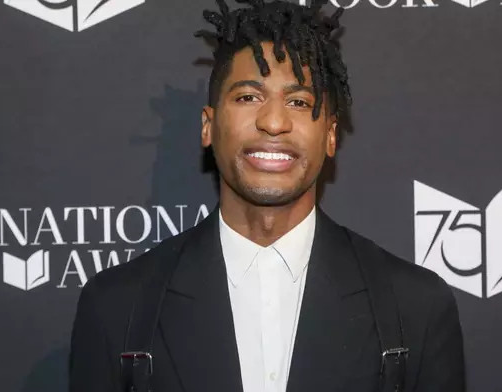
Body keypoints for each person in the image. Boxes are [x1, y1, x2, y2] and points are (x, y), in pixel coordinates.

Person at [68, 1, 466, 391]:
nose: (273, 122)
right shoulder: (116, 308)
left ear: (330, 135)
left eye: (298, 102)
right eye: (248, 97)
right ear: (208, 126)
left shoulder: (416, 308)